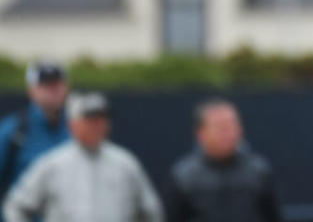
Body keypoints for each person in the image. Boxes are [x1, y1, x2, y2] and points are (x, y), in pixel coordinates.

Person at [2, 91, 163, 222]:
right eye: (90, 120)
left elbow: (151, 211)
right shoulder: (53, 164)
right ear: (73, 125)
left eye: (101, 120)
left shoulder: (125, 163)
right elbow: (16, 206)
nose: (97, 125)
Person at [166, 98, 282, 222]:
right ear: (201, 133)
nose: (228, 132)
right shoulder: (184, 176)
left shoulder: (258, 171)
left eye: (232, 125)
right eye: (220, 127)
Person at [0, 61, 71, 217]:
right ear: (31, 89)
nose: (53, 91)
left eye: (57, 85)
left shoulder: (77, 130)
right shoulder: (12, 131)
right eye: (46, 85)